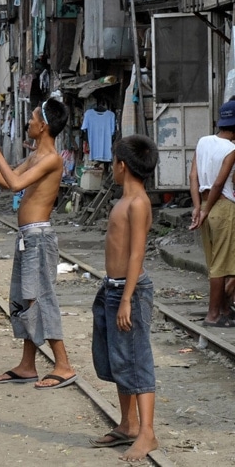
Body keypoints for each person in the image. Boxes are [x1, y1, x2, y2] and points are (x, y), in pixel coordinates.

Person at [0, 98, 76, 389]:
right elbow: (7, 179)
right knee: (26, 298)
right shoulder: (36, 155)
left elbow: (15, 184)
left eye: (32, 118)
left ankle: (63, 364)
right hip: (28, 238)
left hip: (38, 238)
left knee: (39, 298)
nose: (28, 122)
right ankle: (28, 365)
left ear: (44, 125)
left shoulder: (51, 158)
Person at [90, 135, 159, 462]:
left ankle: (147, 433)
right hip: (113, 288)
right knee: (119, 360)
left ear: (122, 165)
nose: (111, 168)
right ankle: (128, 424)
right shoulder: (122, 200)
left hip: (128, 291)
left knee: (136, 359)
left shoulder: (138, 203)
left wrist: (128, 298)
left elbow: (136, 255)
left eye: (113, 162)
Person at [189, 98, 235, 327]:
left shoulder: (203, 141)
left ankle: (224, 309)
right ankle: (214, 314)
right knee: (222, 265)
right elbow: (219, 183)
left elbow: (193, 177)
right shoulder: (232, 150)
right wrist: (206, 211)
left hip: (205, 204)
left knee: (214, 262)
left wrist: (198, 208)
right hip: (223, 207)